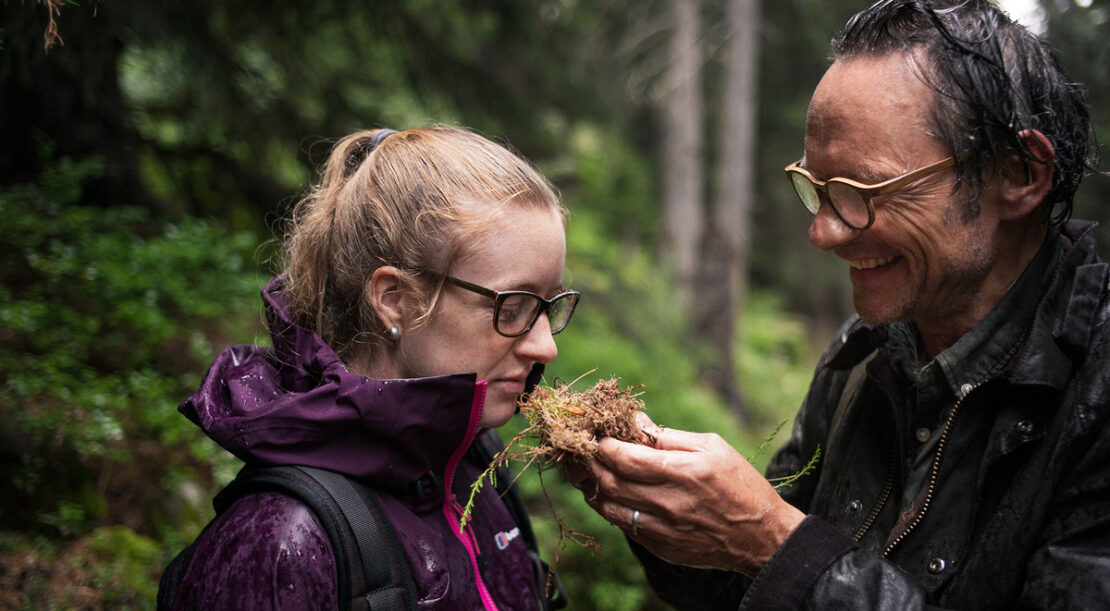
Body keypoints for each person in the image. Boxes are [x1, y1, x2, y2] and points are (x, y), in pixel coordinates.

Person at [567, 1, 1109, 608]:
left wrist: (775, 543)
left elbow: (782, 555)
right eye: (817, 189)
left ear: (1019, 174)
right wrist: (663, 508)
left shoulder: (1097, 385)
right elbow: (748, 589)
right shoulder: (866, 352)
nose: (823, 233)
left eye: (859, 192)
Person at [159, 126, 578, 610]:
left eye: (551, 305)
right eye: (513, 307)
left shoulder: (475, 469)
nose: (546, 347)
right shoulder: (280, 544)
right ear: (394, 300)